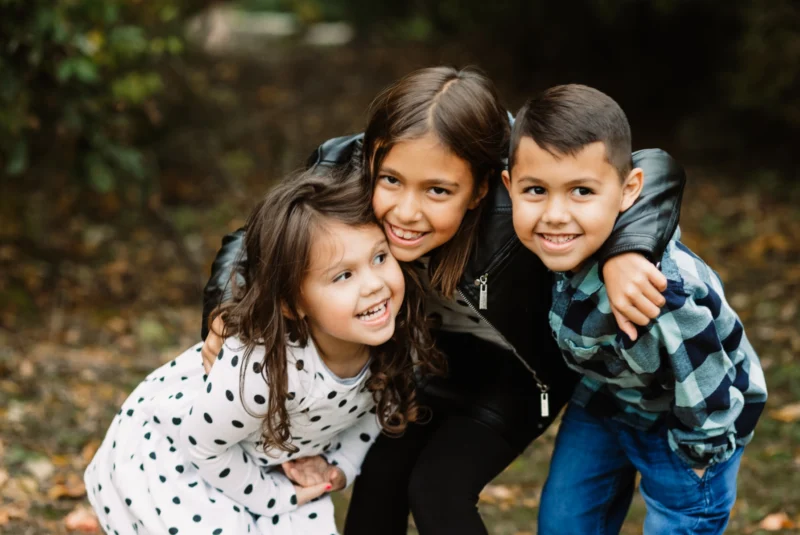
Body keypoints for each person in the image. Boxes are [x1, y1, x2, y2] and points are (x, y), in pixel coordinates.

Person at [201, 66, 686, 535]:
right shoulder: (347, 170)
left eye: (437, 190)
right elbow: (254, 240)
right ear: (371, 159)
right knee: (379, 480)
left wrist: (628, 249)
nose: (406, 212)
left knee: (438, 489)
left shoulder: (520, 188)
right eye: (390, 180)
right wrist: (226, 307)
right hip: (439, 355)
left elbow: (649, 168)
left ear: (481, 187)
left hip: (526, 371)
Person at [84, 168, 442, 535]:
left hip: (271, 462)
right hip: (184, 463)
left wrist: (337, 470)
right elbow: (202, 445)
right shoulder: (265, 369)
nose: (374, 285)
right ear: (292, 303)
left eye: (380, 257)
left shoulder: (395, 334)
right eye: (343, 276)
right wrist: (275, 497)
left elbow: (372, 415)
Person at [501, 84, 767, 534]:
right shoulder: (554, 245)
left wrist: (699, 459)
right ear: (510, 187)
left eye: (581, 191)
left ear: (629, 192)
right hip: (608, 399)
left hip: (688, 423)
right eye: (536, 190)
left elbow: (706, 380)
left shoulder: (660, 291)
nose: (555, 214)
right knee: (563, 522)